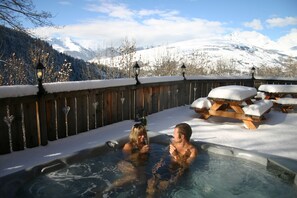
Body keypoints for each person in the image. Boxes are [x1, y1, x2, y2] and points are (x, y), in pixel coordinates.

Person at [146, 123, 198, 196]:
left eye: (174, 133)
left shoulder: (192, 151)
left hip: (179, 173)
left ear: (182, 136)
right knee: (151, 183)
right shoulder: (174, 143)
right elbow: (164, 156)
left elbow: (186, 166)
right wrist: (158, 164)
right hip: (167, 167)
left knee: (162, 186)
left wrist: (175, 155)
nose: (173, 135)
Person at [104, 123, 150, 193]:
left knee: (142, 181)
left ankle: (126, 192)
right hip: (125, 163)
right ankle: (106, 190)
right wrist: (140, 152)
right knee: (134, 176)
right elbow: (126, 158)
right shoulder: (129, 145)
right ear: (135, 135)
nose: (143, 137)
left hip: (137, 165)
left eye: (144, 134)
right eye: (140, 135)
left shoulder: (145, 145)